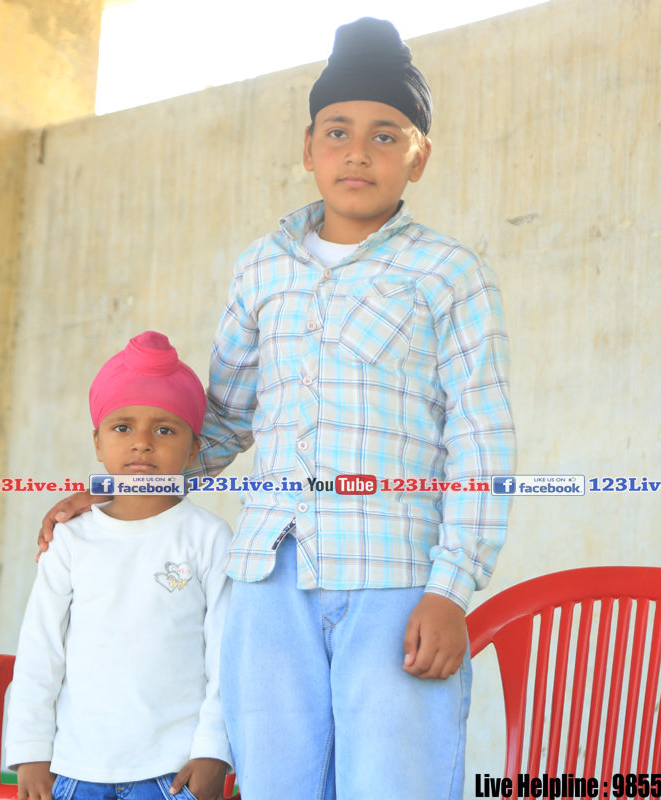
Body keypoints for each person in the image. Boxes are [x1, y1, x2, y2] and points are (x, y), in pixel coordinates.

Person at [38, 18, 515, 799]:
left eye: (386, 136)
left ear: (419, 157)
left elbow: (482, 438)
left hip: (395, 577)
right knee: (277, 784)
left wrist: (450, 588)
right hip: (268, 582)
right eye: (338, 132)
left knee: (394, 785)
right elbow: (223, 420)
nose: (357, 152)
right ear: (308, 148)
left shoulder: (450, 274)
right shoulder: (262, 268)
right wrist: (117, 492)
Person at [9, 331, 233, 800]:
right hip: (76, 769)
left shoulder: (209, 538)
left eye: (165, 430)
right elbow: (39, 651)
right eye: (122, 427)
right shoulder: (71, 539)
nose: (142, 443)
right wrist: (31, 752)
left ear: (194, 449)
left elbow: (226, 655)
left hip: (174, 774)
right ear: (97, 443)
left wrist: (214, 751)